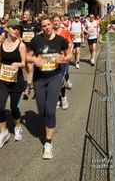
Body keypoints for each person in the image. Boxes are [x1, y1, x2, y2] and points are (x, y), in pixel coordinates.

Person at [27, 17, 71, 159]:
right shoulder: (36, 40)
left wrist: (64, 59)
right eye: (44, 25)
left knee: (50, 110)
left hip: (55, 76)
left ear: (52, 25)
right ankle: (47, 122)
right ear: (41, 27)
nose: (47, 27)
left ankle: (48, 143)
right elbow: (27, 56)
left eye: (49, 24)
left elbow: (69, 50)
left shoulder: (59, 40)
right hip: (39, 79)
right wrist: (34, 59)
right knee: (42, 110)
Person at [0, 19, 27, 149]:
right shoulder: (1, 44)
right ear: (7, 29)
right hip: (3, 79)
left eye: (18, 28)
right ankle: (3, 133)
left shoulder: (21, 45)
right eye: (14, 28)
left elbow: (24, 63)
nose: (17, 30)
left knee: (14, 108)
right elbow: (0, 57)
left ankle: (17, 126)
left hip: (16, 81)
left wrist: (18, 64)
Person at [52, 15, 74, 110]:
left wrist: (67, 54)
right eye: (54, 21)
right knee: (53, 80)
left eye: (57, 20)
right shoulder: (50, 32)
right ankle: (57, 99)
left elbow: (70, 43)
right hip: (52, 60)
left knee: (60, 80)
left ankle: (63, 98)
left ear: (61, 22)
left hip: (63, 60)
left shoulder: (65, 32)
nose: (56, 22)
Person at [20, 10, 40, 100]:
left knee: (30, 67)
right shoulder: (21, 24)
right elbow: (17, 33)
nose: (24, 16)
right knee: (28, 69)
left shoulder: (35, 24)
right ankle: (32, 84)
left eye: (25, 15)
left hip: (33, 49)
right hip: (24, 49)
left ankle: (28, 88)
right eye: (23, 14)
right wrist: (19, 38)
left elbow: (40, 32)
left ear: (30, 16)